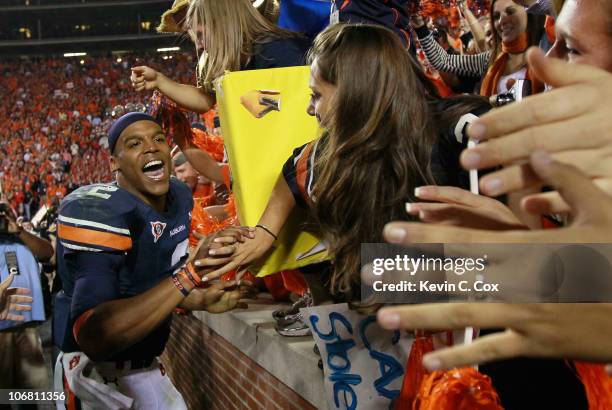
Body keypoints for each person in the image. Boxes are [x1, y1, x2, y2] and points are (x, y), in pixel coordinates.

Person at [212, 23, 489, 304]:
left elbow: (528, 272)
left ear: (357, 93)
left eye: (316, 96)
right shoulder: (330, 155)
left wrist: (393, 278)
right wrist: (264, 232)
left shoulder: (462, 131)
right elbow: (294, 170)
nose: (310, 109)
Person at [52, 113, 254, 409]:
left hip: (148, 366)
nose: (151, 147)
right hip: (93, 377)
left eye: (158, 138)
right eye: (135, 143)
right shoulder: (99, 211)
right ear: (114, 163)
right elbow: (94, 334)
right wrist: (189, 276)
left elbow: (144, 284)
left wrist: (197, 299)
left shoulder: (179, 198)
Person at [131, 0, 311, 114]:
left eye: (200, 35)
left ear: (225, 23)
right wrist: (159, 81)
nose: (199, 46)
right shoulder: (245, 58)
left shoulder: (282, 53)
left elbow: (297, 115)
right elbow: (205, 99)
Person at [411, 0, 546, 99]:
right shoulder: (490, 59)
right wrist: (420, 28)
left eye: (510, 12)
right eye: (496, 16)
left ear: (528, 14)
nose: (501, 20)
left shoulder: (547, 48)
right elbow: (443, 61)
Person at [0, 201, 54, 404]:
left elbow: (47, 253)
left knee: (35, 394)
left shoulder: (20, 238)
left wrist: (19, 230)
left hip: (27, 329)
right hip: (1, 330)